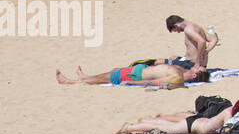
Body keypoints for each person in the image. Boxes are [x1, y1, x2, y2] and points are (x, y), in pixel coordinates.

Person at [117, 94, 239, 134]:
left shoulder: (237, 114)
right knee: (164, 128)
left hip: (202, 122)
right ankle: (130, 127)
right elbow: (227, 129)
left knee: (172, 123)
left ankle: (144, 121)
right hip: (199, 125)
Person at [57, 61, 209, 86]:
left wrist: (131, 83)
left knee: (104, 79)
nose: (197, 66)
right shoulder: (182, 71)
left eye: (198, 69)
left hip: (134, 76)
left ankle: (70, 82)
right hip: (139, 69)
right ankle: (85, 77)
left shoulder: (176, 78)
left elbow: (151, 82)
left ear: (195, 75)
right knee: (113, 71)